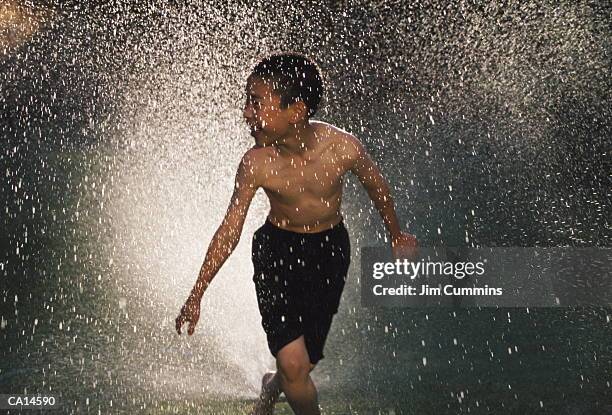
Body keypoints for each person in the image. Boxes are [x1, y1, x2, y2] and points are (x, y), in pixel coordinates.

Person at [175, 53, 417, 415]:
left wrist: (396, 235)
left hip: (329, 251)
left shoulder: (342, 149)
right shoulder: (256, 163)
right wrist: (197, 293)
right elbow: (230, 228)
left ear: (297, 110)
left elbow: (377, 187)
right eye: (247, 101)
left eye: (256, 102)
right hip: (277, 251)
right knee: (295, 365)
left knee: (303, 363)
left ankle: (272, 389)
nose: (246, 113)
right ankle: (284, 380)